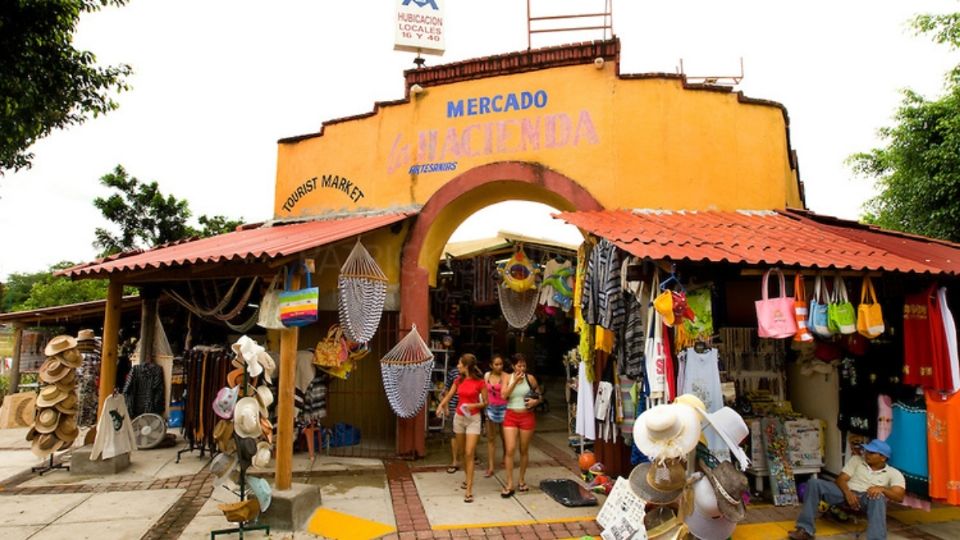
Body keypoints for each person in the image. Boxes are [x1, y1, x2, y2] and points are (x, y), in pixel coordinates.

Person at [788, 439, 905, 540]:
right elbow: (841, 479)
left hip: (866, 498)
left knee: (878, 497)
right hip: (844, 492)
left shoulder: (893, 473)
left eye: (872, 453)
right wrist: (848, 493)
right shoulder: (856, 460)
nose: (867, 454)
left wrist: (882, 489)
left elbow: (899, 496)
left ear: (883, 458)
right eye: (867, 451)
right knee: (814, 483)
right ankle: (805, 530)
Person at [436, 354, 487, 503]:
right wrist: (441, 405)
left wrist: (473, 405)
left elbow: (486, 403)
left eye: (459, 364)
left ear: (466, 366)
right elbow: (450, 395)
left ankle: (469, 488)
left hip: (473, 419)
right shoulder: (458, 380)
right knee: (462, 452)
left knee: (469, 452)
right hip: (459, 418)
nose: (457, 366)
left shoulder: (480, 382)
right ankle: (467, 477)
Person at [500, 353, 542, 497]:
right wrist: (514, 382)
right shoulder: (507, 377)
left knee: (523, 449)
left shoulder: (530, 378)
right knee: (510, 449)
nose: (522, 368)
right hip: (511, 415)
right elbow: (504, 395)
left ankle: (522, 479)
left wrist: (535, 402)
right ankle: (509, 483)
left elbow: (539, 394)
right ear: (513, 366)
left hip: (526, 415)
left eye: (524, 365)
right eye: (519, 365)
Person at [483, 354, 508, 478]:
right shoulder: (487, 376)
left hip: (504, 408)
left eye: (501, 364)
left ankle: (505, 457)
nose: (499, 367)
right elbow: (484, 392)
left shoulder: (506, 376)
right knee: (491, 438)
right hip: (490, 408)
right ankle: (491, 466)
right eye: (496, 364)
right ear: (491, 365)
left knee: (505, 437)